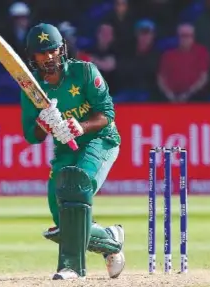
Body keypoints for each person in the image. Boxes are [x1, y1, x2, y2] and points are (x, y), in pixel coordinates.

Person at [20, 23, 125, 280]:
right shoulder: (32, 90)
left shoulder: (85, 72)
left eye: (53, 50)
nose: (49, 57)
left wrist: (80, 125)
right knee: (62, 215)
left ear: (62, 50)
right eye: (42, 53)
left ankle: (71, 268)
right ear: (33, 57)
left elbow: (107, 115)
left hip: (101, 140)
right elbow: (31, 136)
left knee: (76, 187)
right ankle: (110, 241)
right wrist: (43, 124)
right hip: (65, 150)